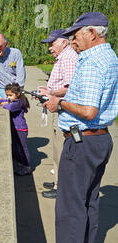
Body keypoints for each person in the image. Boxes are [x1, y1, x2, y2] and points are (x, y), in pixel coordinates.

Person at [43, 12, 117, 243]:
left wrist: (58, 103)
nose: (73, 38)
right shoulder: (110, 57)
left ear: (92, 33)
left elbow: (88, 110)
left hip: (82, 140)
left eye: (77, 33)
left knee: (70, 204)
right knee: (89, 200)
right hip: (100, 139)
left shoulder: (92, 61)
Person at [38, 29, 79, 199]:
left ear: (63, 42)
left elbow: (69, 87)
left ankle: (60, 186)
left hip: (64, 109)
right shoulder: (62, 57)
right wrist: (48, 91)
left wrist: (51, 93)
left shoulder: (68, 58)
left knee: (61, 148)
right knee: (56, 147)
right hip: (59, 107)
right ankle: (57, 180)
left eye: (52, 43)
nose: (49, 48)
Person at [0, 83, 31, 175]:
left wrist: (5, 103)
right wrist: (5, 102)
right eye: (7, 95)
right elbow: (0, 102)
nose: (8, 97)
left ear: (18, 94)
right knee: (14, 148)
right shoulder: (15, 101)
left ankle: (27, 166)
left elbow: (10, 107)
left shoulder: (19, 103)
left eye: (10, 95)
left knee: (23, 148)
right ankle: (21, 164)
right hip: (15, 129)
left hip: (20, 129)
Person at [0, 34, 26, 102]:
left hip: (16, 87)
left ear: (6, 44)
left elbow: (21, 74)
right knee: (11, 104)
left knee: (22, 105)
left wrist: (18, 91)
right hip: (2, 89)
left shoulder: (16, 53)